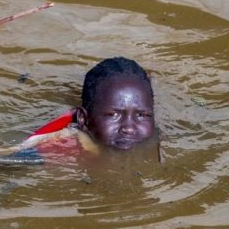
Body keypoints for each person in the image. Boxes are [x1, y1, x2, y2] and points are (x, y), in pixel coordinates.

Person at [20, 57, 156, 156]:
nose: (129, 128)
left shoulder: (160, 142)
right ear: (82, 119)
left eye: (142, 115)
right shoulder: (62, 146)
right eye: (114, 114)